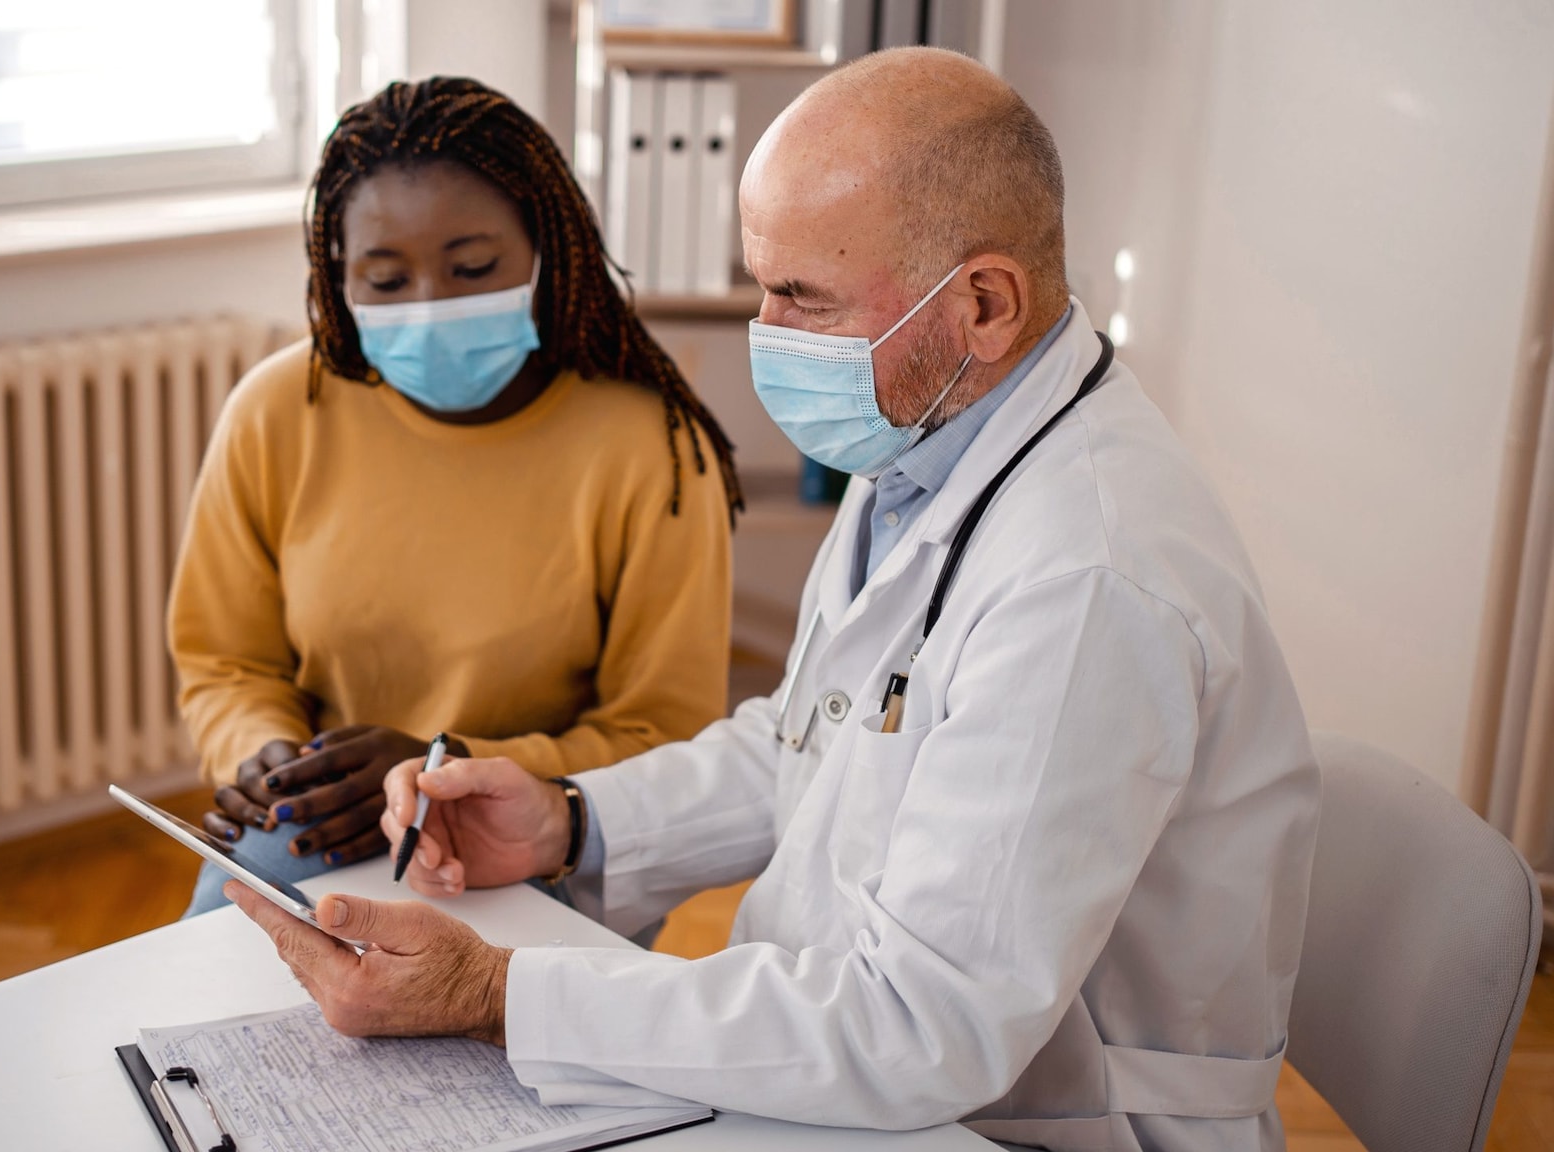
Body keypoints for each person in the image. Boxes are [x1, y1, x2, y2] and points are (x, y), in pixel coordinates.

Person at [225, 48, 1320, 1151]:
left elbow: (919, 1027)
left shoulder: (1087, 582)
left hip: (1023, 1121)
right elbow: (809, 744)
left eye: (802, 296)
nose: (766, 332)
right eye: (760, 282)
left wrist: (495, 992)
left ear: (983, 304)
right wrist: (570, 821)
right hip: (853, 1062)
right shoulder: (935, 437)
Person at [172, 76, 741, 917]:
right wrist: (267, 756)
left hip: (543, 833)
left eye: (473, 267)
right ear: (339, 276)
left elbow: (663, 738)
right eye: (386, 281)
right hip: (324, 825)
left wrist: (452, 765)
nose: (430, 308)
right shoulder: (275, 412)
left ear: (546, 247)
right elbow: (226, 662)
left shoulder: (649, 448)